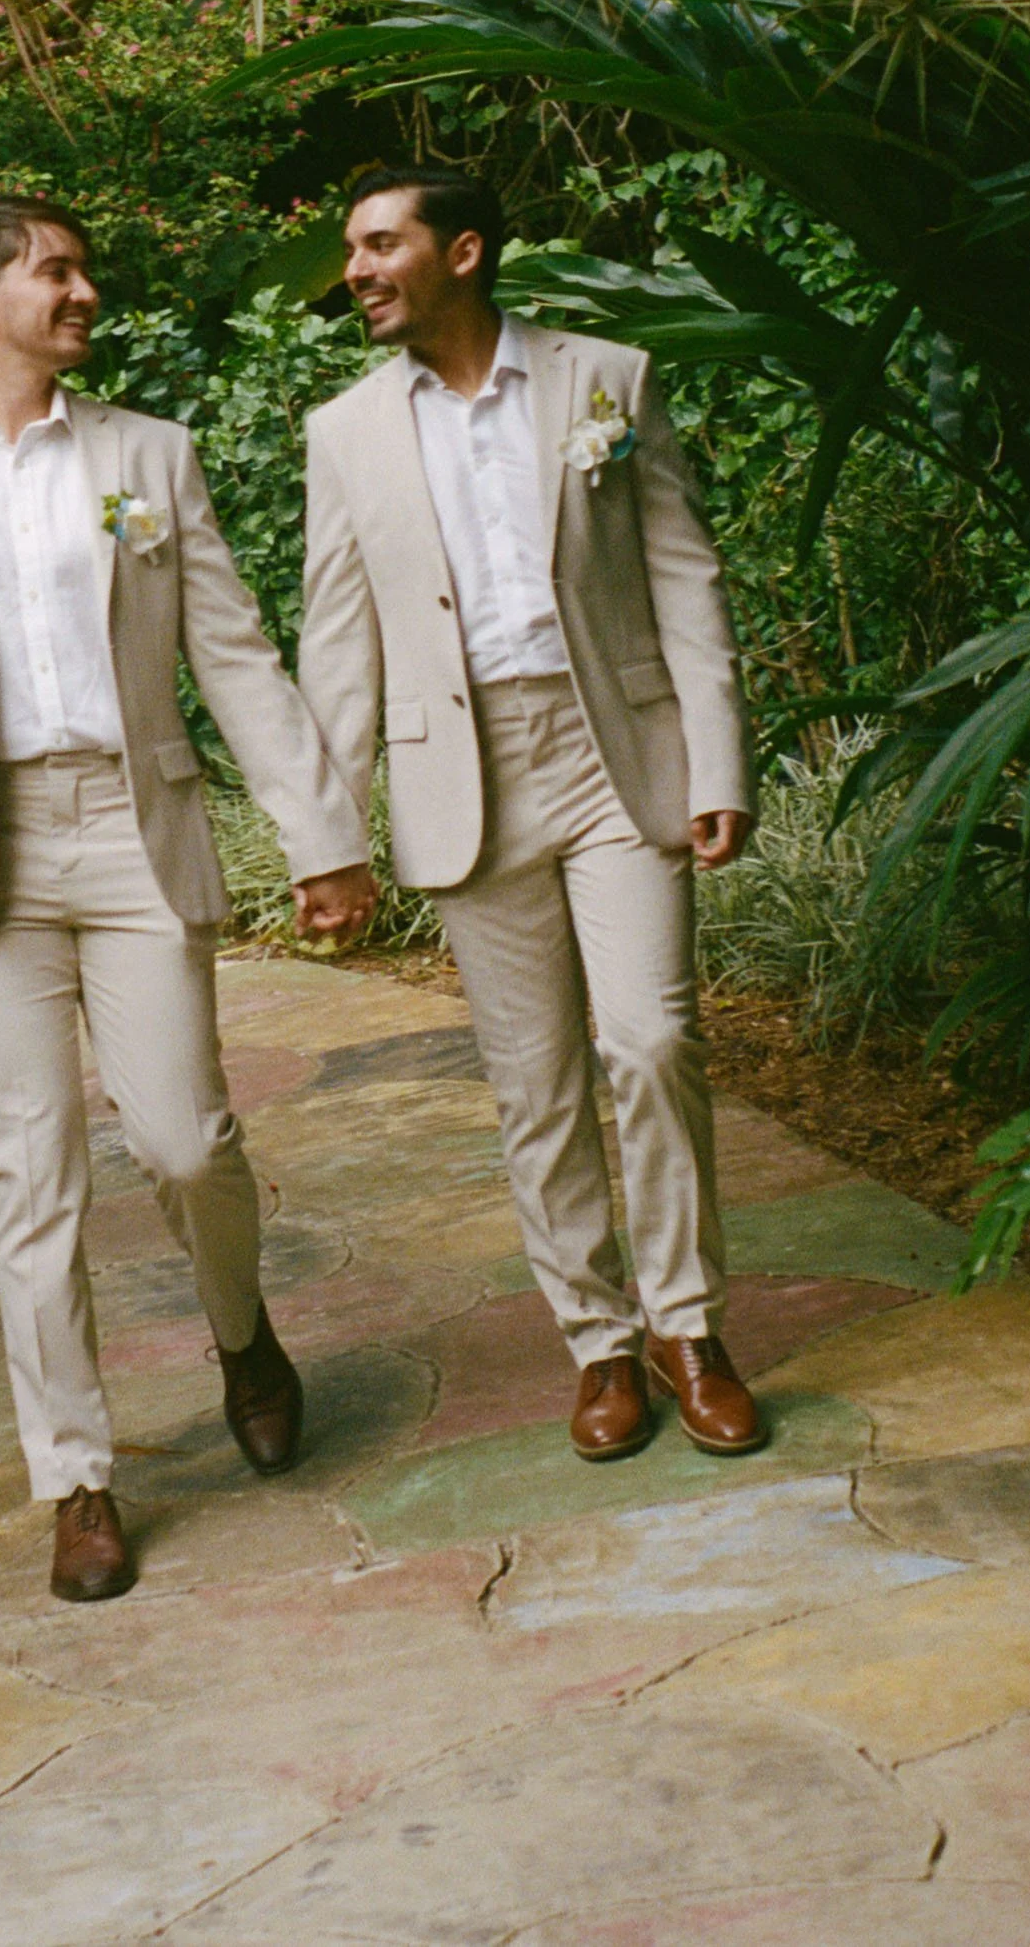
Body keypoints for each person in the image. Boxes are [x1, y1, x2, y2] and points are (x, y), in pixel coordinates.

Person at [0, 194, 377, 1604]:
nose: (79, 293)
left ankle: (241, 1331)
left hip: (133, 834)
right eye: (52, 271)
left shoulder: (146, 455)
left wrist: (319, 833)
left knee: (186, 1144)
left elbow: (231, 654)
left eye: (81, 270)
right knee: (31, 1173)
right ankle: (75, 1477)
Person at [297, 164, 763, 1463]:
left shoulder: (602, 379)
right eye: (351, 247)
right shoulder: (345, 433)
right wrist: (324, 838)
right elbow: (336, 643)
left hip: (613, 753)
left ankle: (688, 1328)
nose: (358, 268)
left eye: (380, 242)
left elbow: (682, 572)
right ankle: (600, 1346)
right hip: (463, 771)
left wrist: (716, 762)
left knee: (652, 1042)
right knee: (534, 1084)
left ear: (463, 251)